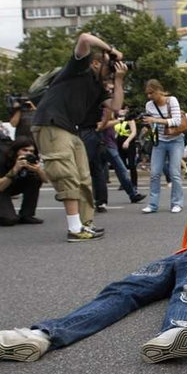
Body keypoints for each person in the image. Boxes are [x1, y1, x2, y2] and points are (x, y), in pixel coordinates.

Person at [0, 178, 187, 363]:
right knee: (121, 291)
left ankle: (175, 332)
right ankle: (40, 336)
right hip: (176, 258)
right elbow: (185, 248)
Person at [31, 33, 127, 242]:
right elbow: (84, 38)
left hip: (71, 129)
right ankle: (74, 229)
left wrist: (118, 80)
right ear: (95, 63)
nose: (111, 75)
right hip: (51, 123)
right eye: (109, 69)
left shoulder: (99, 87)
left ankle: (85, 224)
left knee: (84, 178)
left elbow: (117, 107)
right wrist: (110, 51)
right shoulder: (79, 68)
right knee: (67, 175)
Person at [0, 137, 45, 226]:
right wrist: (15, 169)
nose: (28, 153)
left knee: (35, 179)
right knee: (9, 220)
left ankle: (27, 215)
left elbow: (46, 180)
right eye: (24, 150)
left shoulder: (30, 159)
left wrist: (38, 170)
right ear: (16, 150)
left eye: (31, 151)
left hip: (9, 185)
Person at [141, 79, 185, 214]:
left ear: (159, 90)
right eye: (147, 94)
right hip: (159, 141)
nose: (149, 96)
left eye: (151, 93)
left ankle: (177, 203)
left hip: (175, 140)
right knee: (154, 173)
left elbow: (177, 121)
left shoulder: (172, 101)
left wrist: (155, 120)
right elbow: (152, 124)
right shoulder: (149, 105)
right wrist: (148, 124)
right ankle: (153, 205)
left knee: (174, 173)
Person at [97, 107, 146, 205]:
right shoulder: (103, 112)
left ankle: (100, 199)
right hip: (106, 145)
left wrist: (125, 117)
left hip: (110, 144)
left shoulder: (110, 112)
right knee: (120, 170)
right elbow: (100, 125)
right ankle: (132, 194)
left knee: (101, 172)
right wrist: (121, 119)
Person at [114, 108, 139, 188]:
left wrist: (127, 141)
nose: (121, 111)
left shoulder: (130, 119)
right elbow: (115, 131)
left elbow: (134, 132)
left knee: (132, 164)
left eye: (123, 109)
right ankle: (124, 183)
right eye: (120, 109)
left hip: (129, 142)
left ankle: (134, 183)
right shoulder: (116, 120)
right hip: (119, 142)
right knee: (122, 165)